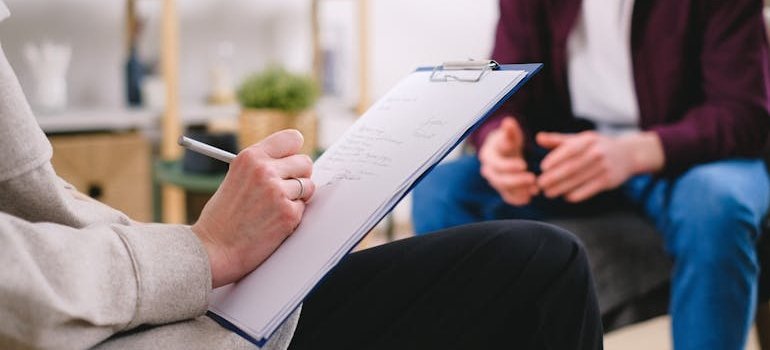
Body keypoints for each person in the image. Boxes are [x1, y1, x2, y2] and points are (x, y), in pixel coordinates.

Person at [0, 3, 604, 349]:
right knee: (543, 265)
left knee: (536, 257)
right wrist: (203, 250)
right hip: (140, 327)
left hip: (139, 305)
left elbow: (41, 204)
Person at [413, 0, 770, 349]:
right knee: (439, 189)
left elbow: (744, 115)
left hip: (687, 156)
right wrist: (497, 141)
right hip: (569, 158)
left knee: (716, 206)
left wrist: (635, 152)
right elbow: (506, 89)